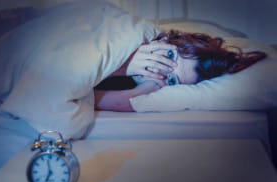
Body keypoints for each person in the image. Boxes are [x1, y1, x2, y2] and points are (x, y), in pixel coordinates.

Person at [94, 30, 267, 112]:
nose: (157, 70)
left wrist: (144, 88)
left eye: (171, 80)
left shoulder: (144, 83)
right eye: (169, 56)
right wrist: (124, 63)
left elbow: (114, 101)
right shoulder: (128, 33)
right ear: (164, 39)